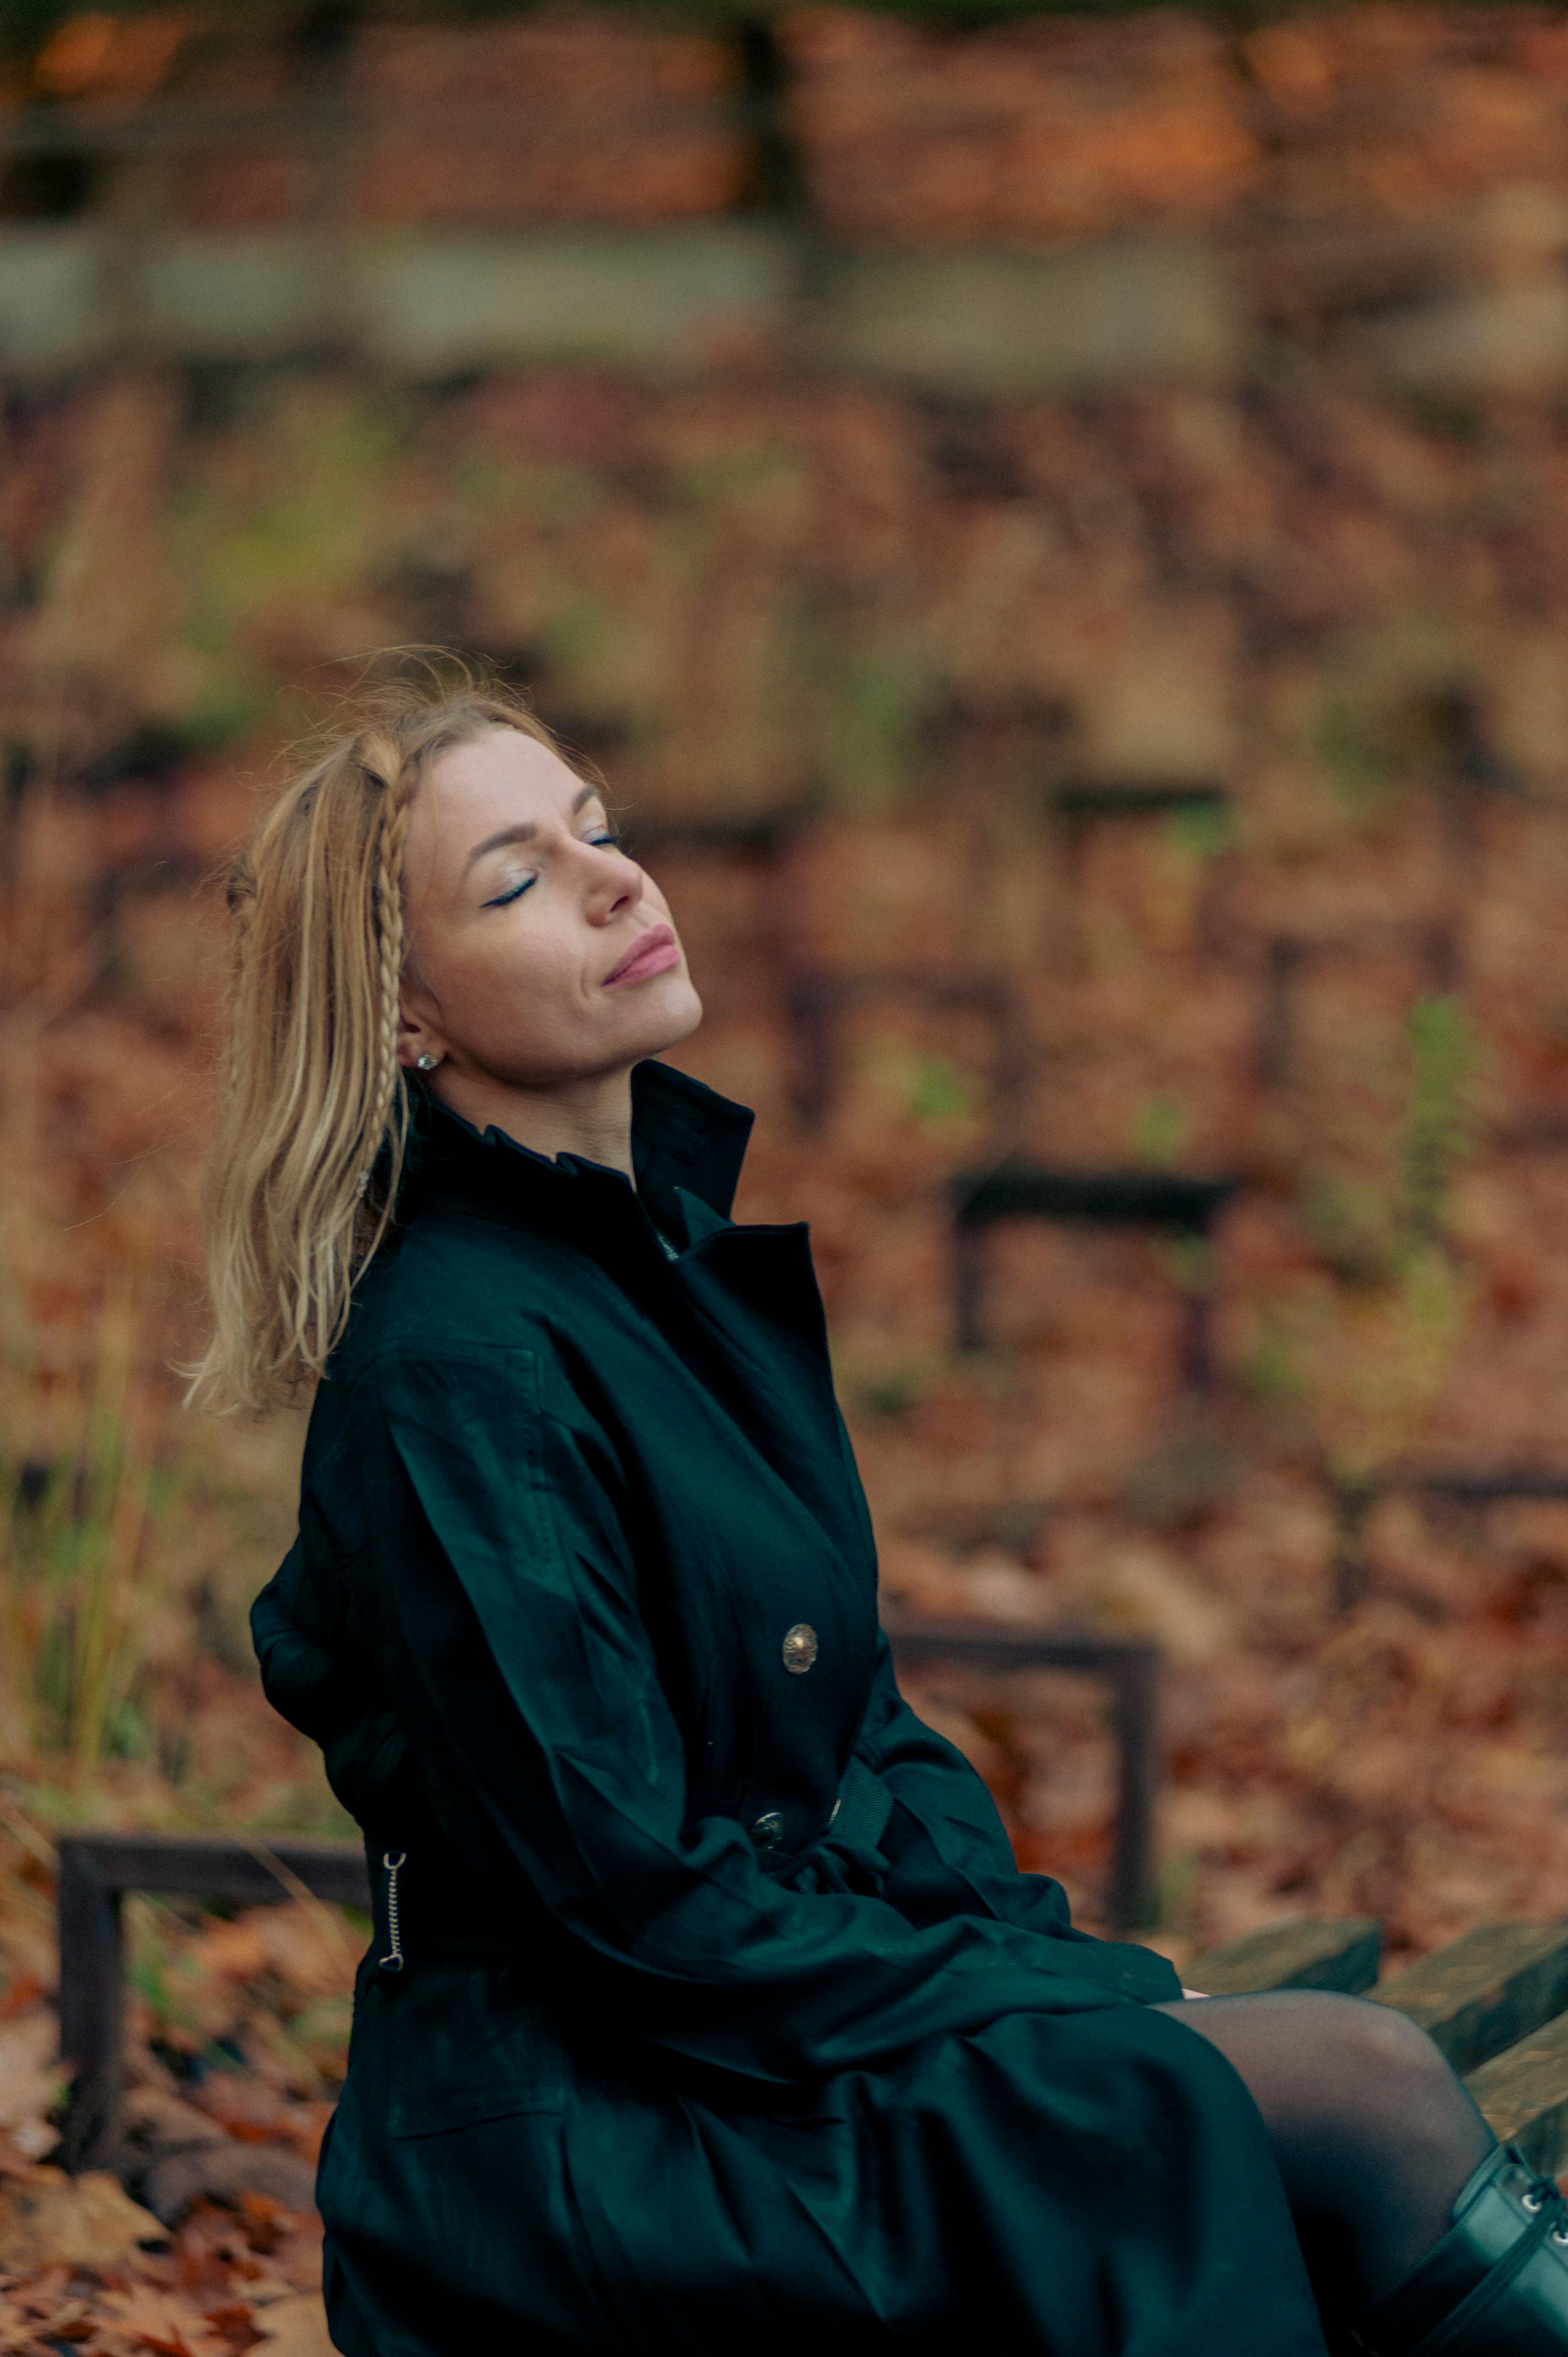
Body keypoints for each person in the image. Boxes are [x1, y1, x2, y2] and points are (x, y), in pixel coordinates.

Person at [190, 668, 1568, 2356]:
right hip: (603, 2143)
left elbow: (865, 1737)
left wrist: (1049, 1967)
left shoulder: (654, 1275)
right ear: (405, 1013)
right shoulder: (456, 1365)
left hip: (755, 2040)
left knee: (1344, 2096)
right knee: (1358, 2091)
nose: (618, 879)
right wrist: (1071, 2006)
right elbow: (627, 1900)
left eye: (598, 829)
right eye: (519, 879)